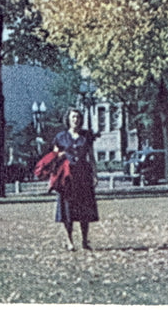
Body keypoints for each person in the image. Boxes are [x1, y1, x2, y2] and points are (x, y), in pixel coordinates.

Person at [53, 107, 99, 251]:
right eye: (73, 117)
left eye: (78, 117)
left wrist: (95, 174)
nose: (75, 120)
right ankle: (69, 241)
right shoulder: (61, 137)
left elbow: (91, 156)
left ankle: (85, 240)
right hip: (67, 177)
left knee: (84, 208)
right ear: (68, 119)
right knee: (68, 209)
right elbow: (54, 156)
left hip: (83, 175)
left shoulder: (86, 137)